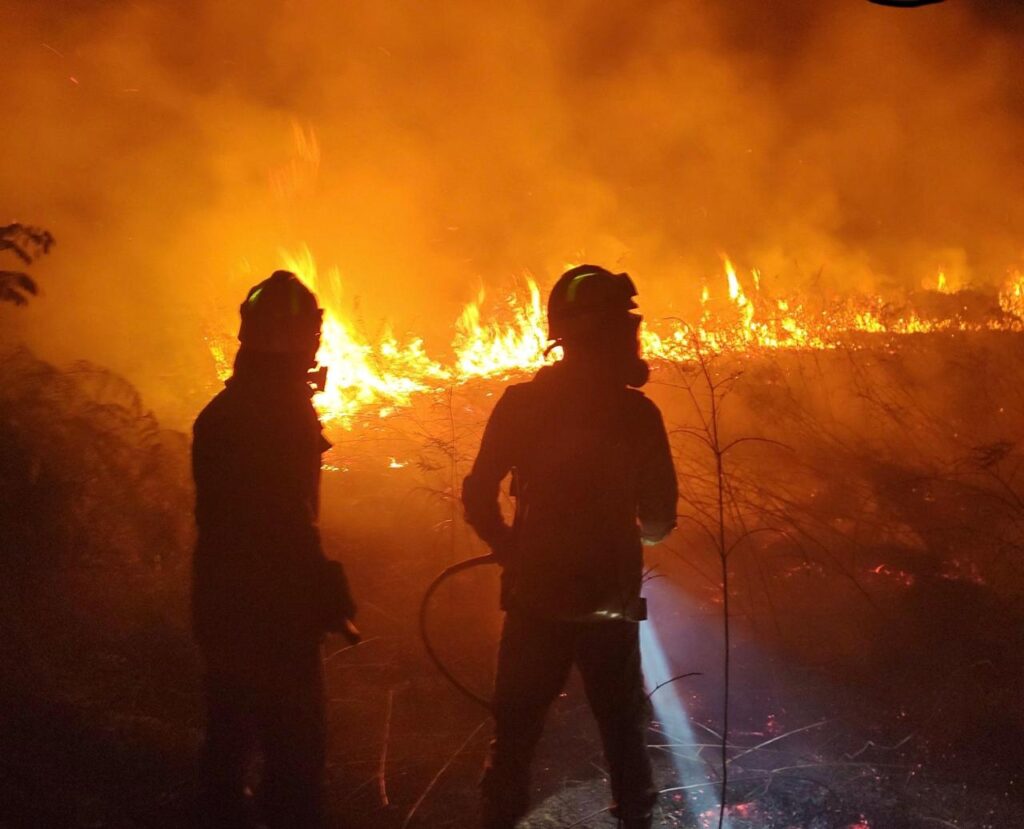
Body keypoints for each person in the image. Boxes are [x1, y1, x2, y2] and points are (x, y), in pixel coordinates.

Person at [462, 265, 678, 829]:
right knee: (623, 733)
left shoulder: (520, 404)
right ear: (606, 333)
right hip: (611, 605)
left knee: (514, 736)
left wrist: (508, 547)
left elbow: (478, 491)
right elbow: (659, 522)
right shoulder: (638, 414)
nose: (635, 334)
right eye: (626, 324)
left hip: (535, 600)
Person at [191, 270, 356, 829]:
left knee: (228, 741)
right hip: (275, 612)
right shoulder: (282, 412)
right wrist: (323, 580)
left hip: (220, 603)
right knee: (295, 756)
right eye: (310, 335)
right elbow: (282, 516)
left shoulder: (225, 408)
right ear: (297, 338)